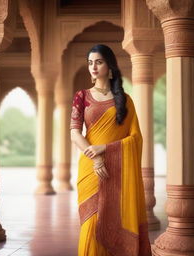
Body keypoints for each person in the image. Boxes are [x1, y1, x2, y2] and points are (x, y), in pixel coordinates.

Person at [70, 44, 152, 256]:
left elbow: (135, 138)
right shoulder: (82, 96)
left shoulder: (124, 101)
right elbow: (74, 133)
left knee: (115, 218)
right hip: (91, 169)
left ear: (109, 65)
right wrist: (96, 157)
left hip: (117, 170)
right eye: (90, 63)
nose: (93, 67)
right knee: (91, 225)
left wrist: (105, 149)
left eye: (99, 62)